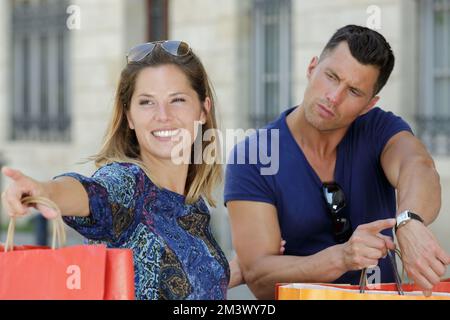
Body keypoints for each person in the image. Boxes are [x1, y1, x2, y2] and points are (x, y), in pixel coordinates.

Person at [224, 25, 450, 299]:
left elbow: (417, 166)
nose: (334, 97)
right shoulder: (253, 155)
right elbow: (259, 278)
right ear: (312, 68)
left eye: (354, 91)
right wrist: (341, 258)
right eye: (331, 76)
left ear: (369, 103)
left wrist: (410, 221)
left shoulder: (378, 128)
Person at [1, 41, 239, 300]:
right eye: (147, 102)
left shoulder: (194, 204)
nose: (163, 115)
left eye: (178, 100)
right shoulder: (127, 184)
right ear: (129, 117)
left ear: (204, 110)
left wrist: (244, 267)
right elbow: (93, 194)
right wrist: (46, 190)